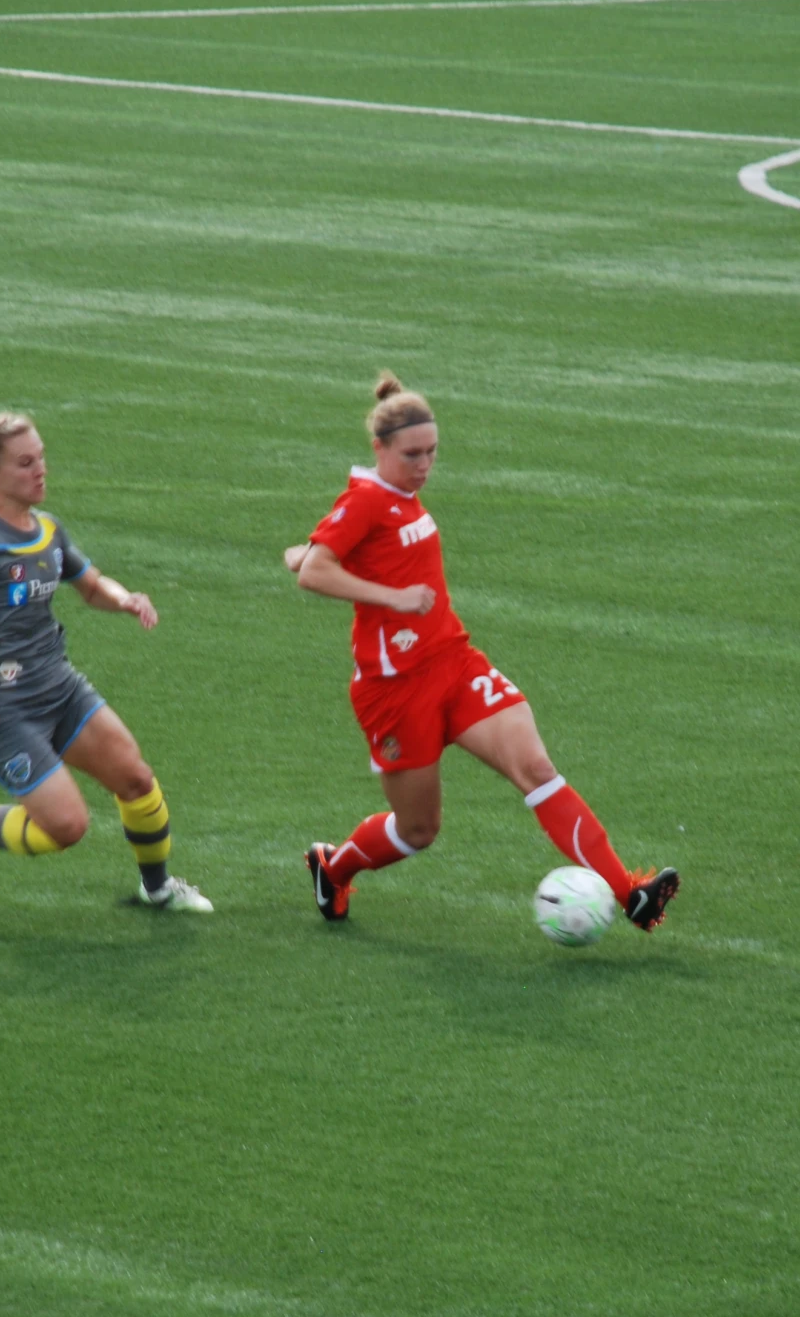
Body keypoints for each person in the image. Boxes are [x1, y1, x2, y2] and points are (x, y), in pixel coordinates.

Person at [282, 372, 677, 929]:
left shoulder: (397, 498)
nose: (424, 466)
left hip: (454, 662)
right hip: (394, 691)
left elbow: (328, 555)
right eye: (412, 454)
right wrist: (382, 590)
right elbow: (317, 575)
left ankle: (630, 891)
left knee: (536, 768)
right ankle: (334, 866)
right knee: (419, 830)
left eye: (433, 453)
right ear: (379, 448)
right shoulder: (368, 499)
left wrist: (308, 551)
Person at [0, 413, 211, 912]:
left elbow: (91, 585)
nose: (41, 470)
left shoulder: (47, 529)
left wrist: (125, 598)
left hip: (60, 688)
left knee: (135, 778)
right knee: (66, 827)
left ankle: (157, 889)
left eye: (41, 457)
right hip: (1, 709)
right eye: (25, 463)